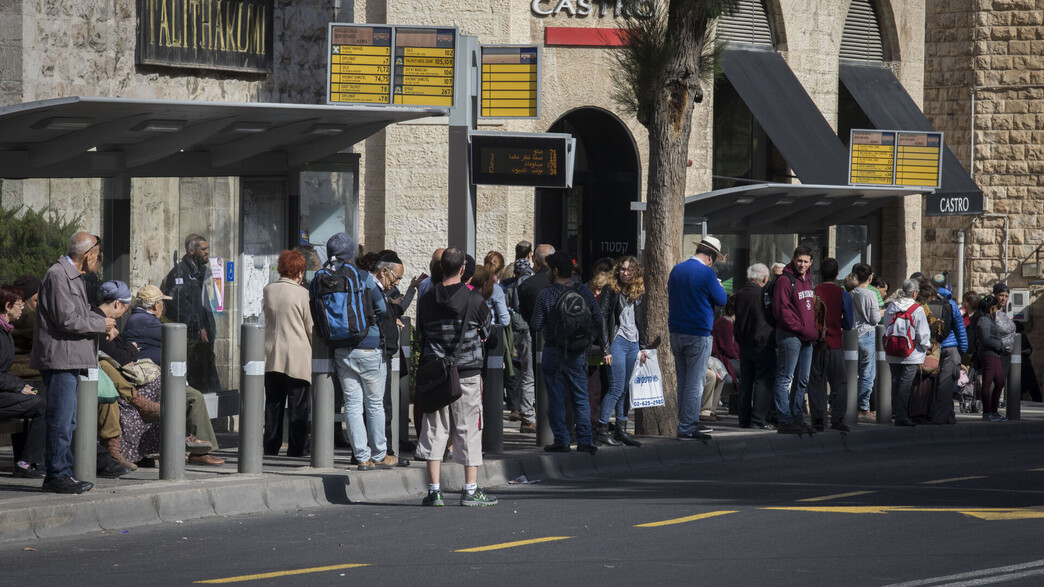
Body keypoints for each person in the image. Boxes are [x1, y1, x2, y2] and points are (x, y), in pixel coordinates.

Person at [32, 231, 114, 493]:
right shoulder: (58, 275)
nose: (98, 261)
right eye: (98, 256)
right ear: (88, 254)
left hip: (70, 358)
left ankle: (62, 472)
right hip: (60, 359)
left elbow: (82, 313)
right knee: (61, 419)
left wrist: (104, 323)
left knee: (68, 420)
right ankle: (56, 474)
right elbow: (68, 320)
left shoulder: (74, 277)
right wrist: (102, 323)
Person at [416, 247, 497, 507]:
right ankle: (470, 490)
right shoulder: (475, 301)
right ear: (463, 269)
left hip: (437, 374)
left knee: (434, 430)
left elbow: (421, 335)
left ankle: (434, 491)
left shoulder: (427, 299)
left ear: (440, 269)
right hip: (468, 373)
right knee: (468, 430)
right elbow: (488, 332)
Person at [318, 232, 397, 470]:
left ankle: (362, 457)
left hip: (341, 349)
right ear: (351, 253)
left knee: (352, 404)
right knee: (374, 404)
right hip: (368, 346)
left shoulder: (321, 277)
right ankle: (380, 454)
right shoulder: (362, 277)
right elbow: (382, 309)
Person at [123, 284, 224, 465]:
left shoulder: (137, 319)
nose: (164, 306)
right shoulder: (146, 322)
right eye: (162, 302)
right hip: (151, 383)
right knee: (195, 397)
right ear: (155, 305)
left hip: (155, 379)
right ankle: (201, 451)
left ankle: (193, 445)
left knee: (189, 396)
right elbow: (175, 336)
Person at [531, 251, 606, 453]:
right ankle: (585, 439)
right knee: (580, 397)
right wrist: (587, 339)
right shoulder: (583, 291)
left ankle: (562, 440)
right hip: (578, 352)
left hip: (553, 351)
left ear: (555, 270)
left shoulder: (546, 294)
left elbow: (536, 324)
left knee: (555, 399)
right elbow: (599, 319)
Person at [668, 237, 728, 440]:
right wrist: (717, 284)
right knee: (695, 383)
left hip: (676, 331)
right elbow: (722, 299)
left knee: (683, 381)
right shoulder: (707, 273)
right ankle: (688, 426)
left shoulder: (677, 269)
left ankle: (683, 423)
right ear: (711, 257)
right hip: (698, 333)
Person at [262, 250, 314, 457]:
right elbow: (311, 327)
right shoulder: (303, 294)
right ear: (299, 271)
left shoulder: (268, 290)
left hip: (271, 355)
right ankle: (297, 447)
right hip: (297, 356)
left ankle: (271, 446)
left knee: (273, 405)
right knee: (298, 407)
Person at [595, 255, 646, 447]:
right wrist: (605, 349)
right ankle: (601, 429)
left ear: (635, 272)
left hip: (633, 343)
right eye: (622, 269)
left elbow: (639, 320)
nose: (625, 273)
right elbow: (601, 318)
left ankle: (621, 430)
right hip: (616, 342)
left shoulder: (637, 291)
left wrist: (642, 347)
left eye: (629, 270)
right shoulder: (610, 289)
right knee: (615, 388)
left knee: (625, 389)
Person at [163, 234, 221, 393]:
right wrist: (197, 326)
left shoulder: (200, 273)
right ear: (191, 251)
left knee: (208, 381)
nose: (207, 252)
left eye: (207, 248)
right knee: (196, 383)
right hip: (191, 338)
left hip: (204, 338)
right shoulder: (180, 273)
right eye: (203, 249)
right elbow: (177, 306)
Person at [771, 246, 819, 434]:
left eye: (806, 261)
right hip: (790, 336)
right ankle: (785, 419)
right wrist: (801, 329)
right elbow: (780, 311)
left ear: (811, 262)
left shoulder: (807, 280)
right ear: (793, 259)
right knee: (785, 378)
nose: (802, 264)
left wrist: (811, 331)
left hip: (806, 338)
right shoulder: (784, 280)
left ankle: (797, 418)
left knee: (802, 380)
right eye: (799, 260)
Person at [0, 284, 46, 478]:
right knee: (42, 406)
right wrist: (19, 386)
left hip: (5, 388)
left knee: (39, 398)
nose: (23, 308)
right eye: (20, 304)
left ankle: (28, 459)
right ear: (8, 306)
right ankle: (27, 462)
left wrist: (20, 386)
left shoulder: (6, 330)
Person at [807, 258, 855, 432]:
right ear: (837, 274)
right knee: (839, 383)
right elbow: (849, 323)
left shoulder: (813, 292)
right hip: (834, 342)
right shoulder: (843, 294)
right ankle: (838, 419)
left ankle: (818, 419)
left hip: (817, 343)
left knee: (816, 382)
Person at [373, 250, 410, 455]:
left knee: (379, 406)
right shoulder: (373, 289)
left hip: (383, 352)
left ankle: (379, 452)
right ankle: (385, 452)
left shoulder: (379, 290)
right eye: (396, 278)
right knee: (382, 405)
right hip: (378, 354)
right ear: (384, 271)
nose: (397, 283)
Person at [883, 279, 932, 427]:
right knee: (905, 385)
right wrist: (926, 347)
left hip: (893, 351)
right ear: (915, 293)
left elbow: (886, 324)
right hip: (911, 353)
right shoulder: (917, 309)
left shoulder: (892, 306)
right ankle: (901, 416)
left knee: (896, 382)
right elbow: (923, 334)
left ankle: (896, 412)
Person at [734, 263, 775, 429]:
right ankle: (758, 419)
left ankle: (743, 418)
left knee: (746, 381)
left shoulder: (740, 293)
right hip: (762, 343)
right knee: (762, 381)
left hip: (744, 344)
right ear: (764, 278)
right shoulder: (762, 294)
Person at [930, 273, 968, 425]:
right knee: (945, 385)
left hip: (933, 348)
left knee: (932, 384)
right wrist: (963, 350)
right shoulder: (951, 304)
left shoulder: (928, 303)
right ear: (947, 286)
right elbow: (960, 330)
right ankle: (941, 417)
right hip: (950, 347)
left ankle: (945, 415)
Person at [976, 288, 1015, 422]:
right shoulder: (984, 321)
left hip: (995, 354)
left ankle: (994, 411)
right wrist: (1000, 345)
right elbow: (986, 339)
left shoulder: (989, 319)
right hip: (989, 354)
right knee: (987, 384)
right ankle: (987, 412)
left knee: (999, 382)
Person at [850, 263, 881, 422]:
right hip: (867, 334)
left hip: (851, 336)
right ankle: (862, 407)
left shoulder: (850, 292)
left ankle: (844, 405)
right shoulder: (870, 294)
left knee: (850, 371)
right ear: (870, 277)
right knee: (867, 372)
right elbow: (875, 319)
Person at [707, 296, 739, 422]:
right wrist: (737, 356)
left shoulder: (726, 322)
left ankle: (713, 409)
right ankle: (712, 410)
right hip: (721, 359)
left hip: (723, 359)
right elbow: (728, 347)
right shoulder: (726, 323)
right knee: (747, 372)